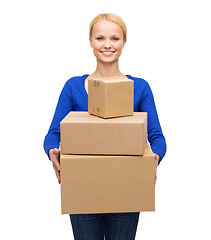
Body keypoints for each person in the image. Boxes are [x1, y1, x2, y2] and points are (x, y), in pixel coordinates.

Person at [44, 13, 166, 240]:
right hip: (82, 188)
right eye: (100, 38)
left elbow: (157, 137)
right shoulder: (73, 86)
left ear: (124, 42)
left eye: (114, 38)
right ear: (90, 42)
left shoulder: (139, 88)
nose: (107, 45)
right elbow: (53, 134)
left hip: (127, 188)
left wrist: (153, 159)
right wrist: (52, 151)